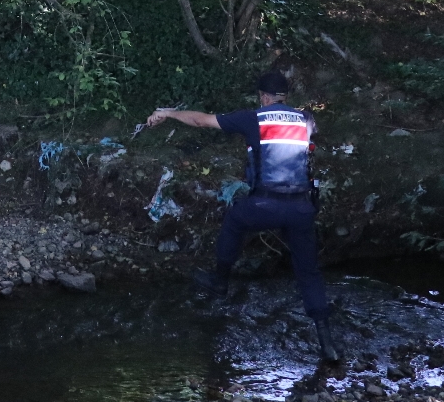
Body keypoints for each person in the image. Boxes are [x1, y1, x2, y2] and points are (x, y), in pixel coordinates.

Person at [146, 69, 341, 362]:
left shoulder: (255, 118)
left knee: (235, 219)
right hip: (301, 208)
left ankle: (220, 281)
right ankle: (327, 344)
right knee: (309, 271)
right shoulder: (306, 120)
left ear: (263, 96)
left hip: (264, 206)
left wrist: (169, 114)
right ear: (284, 96)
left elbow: (201, 121)